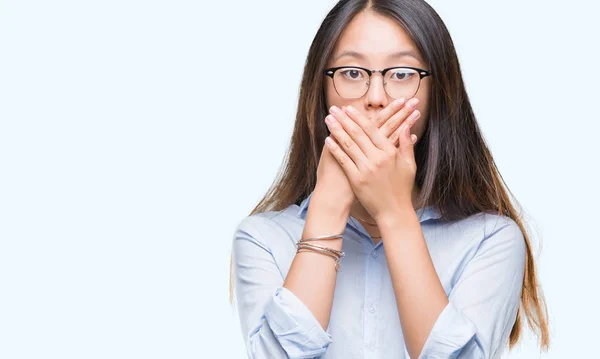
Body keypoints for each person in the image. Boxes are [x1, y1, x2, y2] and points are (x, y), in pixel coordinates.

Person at [230, 0, 550, 358]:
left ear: (438, 94)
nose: (376, 98)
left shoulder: (490, 240)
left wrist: (394, 212)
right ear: (320, 91)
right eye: (352, 72)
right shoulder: (262, 239)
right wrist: (328, 207)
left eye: (401, 74)